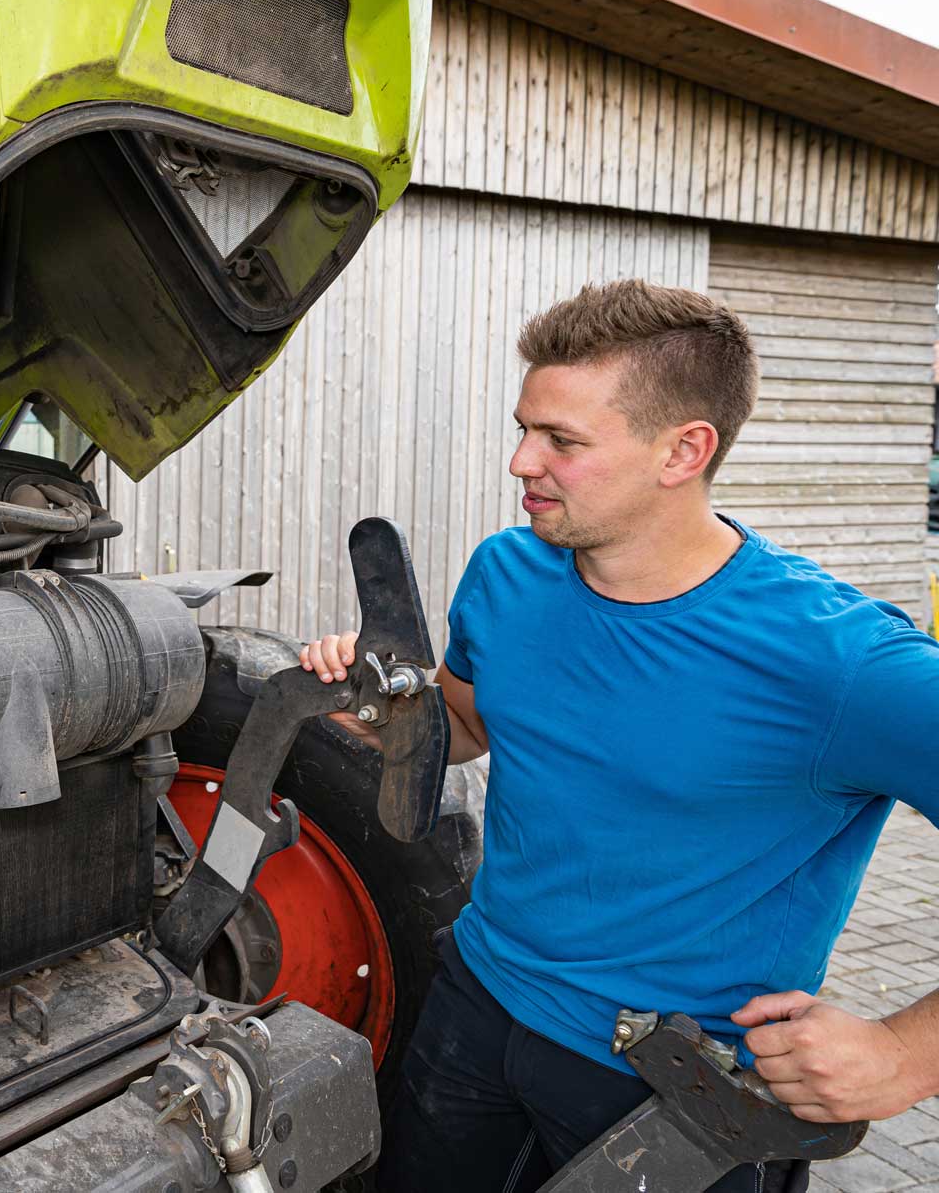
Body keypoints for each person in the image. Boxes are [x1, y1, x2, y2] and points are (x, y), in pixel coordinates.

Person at [299, 280, 939, 1193]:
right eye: (525, 427)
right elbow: (470, 725)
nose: (522, 460)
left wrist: (903, 1056)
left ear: (685, 450)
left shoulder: (840, 663)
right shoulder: (509, 573)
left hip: (672, 1089)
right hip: (474, 1009)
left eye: (562, 440)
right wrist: (376, 704)